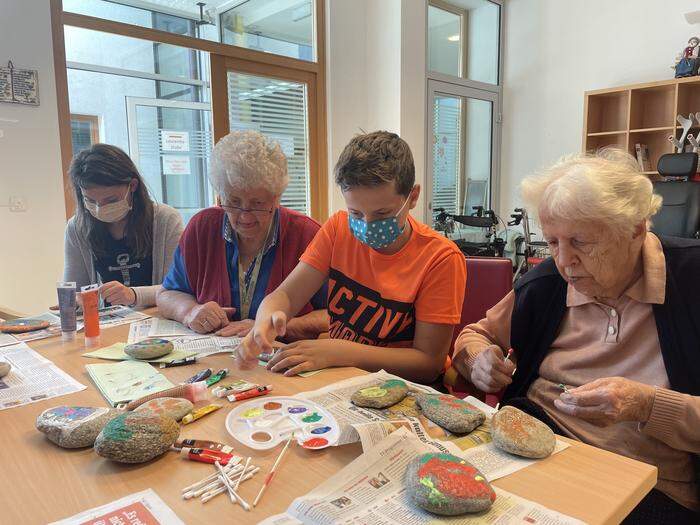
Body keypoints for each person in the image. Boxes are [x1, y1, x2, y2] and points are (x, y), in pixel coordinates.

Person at [452, 149, 700, 523]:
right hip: (535, 443)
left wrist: (648, 405)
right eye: (552, 242)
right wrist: (478, 359)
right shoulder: (546, 284)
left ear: (635, 228)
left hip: (646, 484)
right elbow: (475, 335)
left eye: (581, 242)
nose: (564, 260)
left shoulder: (692, 281)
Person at [238, 131, 467, 384]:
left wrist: (341, 352)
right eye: (356, 214)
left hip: (404, 386)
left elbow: (428, 363)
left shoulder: (441, 258)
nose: (367, 226)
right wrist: (265, 320)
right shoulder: (338, 228)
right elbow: (286, 295)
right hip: (343, 375)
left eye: (382, 214)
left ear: (412, 197)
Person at [156, 130, 328, 338]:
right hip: (215, 356)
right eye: (234, 202)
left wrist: (270, 327)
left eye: (257, 204)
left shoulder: (307, 235)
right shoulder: (202, 228)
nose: (245, 217)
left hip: (280, 358)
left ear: (276, 198)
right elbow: (167, 294)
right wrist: (189, 312)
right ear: (220, 195)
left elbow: (335, 316)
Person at [64, 144, 183, 307]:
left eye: (111, 200)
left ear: (132, 186)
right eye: (91, 201)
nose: (100, 208)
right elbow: (74, 289)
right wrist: (75, 301)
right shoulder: (77, 228)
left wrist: (134, 295)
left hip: (156, 317)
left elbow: (178, 288)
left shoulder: (165, 219)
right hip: (107, 326)